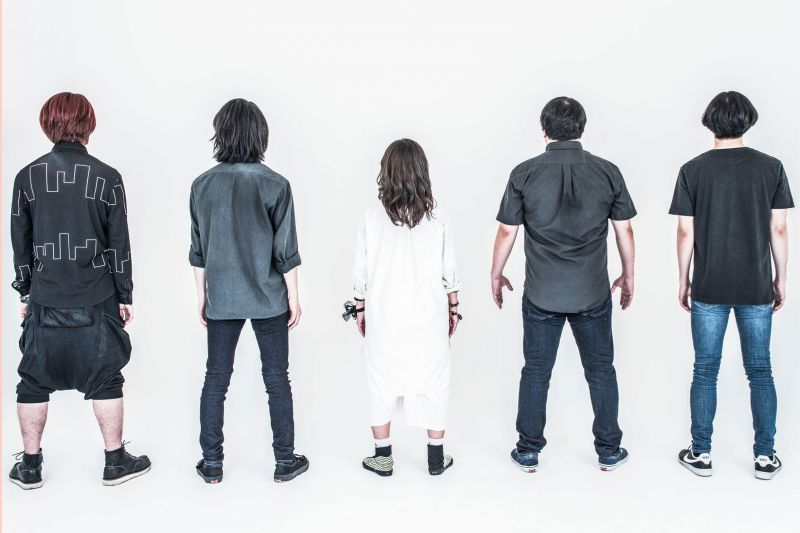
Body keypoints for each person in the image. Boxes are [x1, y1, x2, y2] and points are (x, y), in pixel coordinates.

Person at [9, 92, 151, 489]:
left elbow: (20, 242)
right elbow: (119, 244)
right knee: (106, 377)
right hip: (97, 295)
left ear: (47, 124)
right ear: (88, 124)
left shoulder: (27, 177)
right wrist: (124, 295)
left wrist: (25, 292)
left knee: (32, 380)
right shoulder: (108, 177)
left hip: (46, 296)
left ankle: (30, 466)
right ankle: (115, 461)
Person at [491, 97, 637, 473]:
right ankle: (609, 450)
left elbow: (507, 231)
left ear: (544, 130)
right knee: (601, 370)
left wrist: (496, 272)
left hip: (542, 294)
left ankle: (528, 450)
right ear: (581, 129)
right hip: (592, 292)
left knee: (536, 371)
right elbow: (625, 231)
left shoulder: (524, 173)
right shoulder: (608, 171)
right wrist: (628, 274)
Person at [670, 91, 793, 480]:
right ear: (748, 121)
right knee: (760, 369)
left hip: (709, 285)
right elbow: (778, 228)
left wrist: (684, 279)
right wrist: (781, 278)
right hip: (755, 286)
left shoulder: (692, 170)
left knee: (705, 369)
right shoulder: (771, 168)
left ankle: (701, 453)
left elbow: (685, 231)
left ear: (710, 121)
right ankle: (765, 457)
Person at [189, 98, 308, 484]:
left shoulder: (201, 185)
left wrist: (201, 296)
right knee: (276, 378)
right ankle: (284, 461)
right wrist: (294, 298)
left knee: (215, 379)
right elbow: (286, 252)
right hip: (268, 297)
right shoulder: (276, 184)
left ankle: (212, 464)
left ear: (221, 134)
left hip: (221, 297)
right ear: (260, 135)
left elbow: (198, 251)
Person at [350, 138, 461, 477]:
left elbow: (360, 272)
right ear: (421, 171)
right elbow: (450, 271)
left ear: (386, 171)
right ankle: (435, 457)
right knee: (435, 383)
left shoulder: (371, 216)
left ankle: (382, 457)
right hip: (428, 316)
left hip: (384, 317)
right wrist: (453, 309)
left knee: (380, 382)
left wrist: (360, 309)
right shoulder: (438, 217)